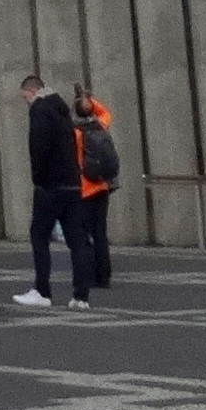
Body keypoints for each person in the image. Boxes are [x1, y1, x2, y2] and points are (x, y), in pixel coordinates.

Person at [13, 72, 96, 310]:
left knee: (39, 235)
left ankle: (42, 290)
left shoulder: (39, 110)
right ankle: (81, 296)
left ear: (31, 91)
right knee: (76, 240)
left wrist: (38, 179)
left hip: (50, 185)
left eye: (24, 96)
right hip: (72, 182)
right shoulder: (62, 111)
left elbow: (39, 148)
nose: (25, 101)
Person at [73, 84, 120, 292]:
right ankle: (104, 276)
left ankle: (89, 274)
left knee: (83, 234)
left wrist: (78, 102)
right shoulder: (101, 125)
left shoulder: (74, 132)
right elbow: (104, 112)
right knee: (100, 233)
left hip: (83, 188)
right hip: (102, 185)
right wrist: (89, 102)